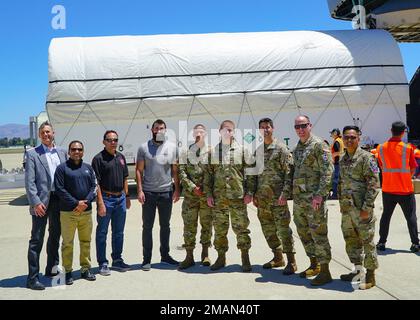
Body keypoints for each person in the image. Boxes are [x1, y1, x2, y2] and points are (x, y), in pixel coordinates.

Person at [249, 118, 297, 275]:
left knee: (284, 230)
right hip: (262, 200)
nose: (265, 130)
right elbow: (254, 175)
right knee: (268, 229)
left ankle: (291, 261)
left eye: (268, 127)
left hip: (278, 199)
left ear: (273, 128)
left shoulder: (281, 149)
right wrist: (254, 194)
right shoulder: (258, 151)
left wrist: (285, 194)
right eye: (262, 128)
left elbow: (289, 174)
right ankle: (277, 257)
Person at [204, 120, 253, 272]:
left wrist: (250, 192)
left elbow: (251, 174)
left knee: (241, 228)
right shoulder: (213, 152)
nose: (227, 132)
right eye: (225, 130)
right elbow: (208, 176)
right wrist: (209, 195)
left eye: (230, 130)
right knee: (219, 229)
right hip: (219, 198)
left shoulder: (243, 150)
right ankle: (221, 257)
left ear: (234, 132)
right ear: (220, 131)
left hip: (237, 197)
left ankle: (245, 257)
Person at [291, 115, 333, 286]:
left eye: (303, 126)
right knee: (303, 232)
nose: (300, 129)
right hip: (300, 199)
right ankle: (314, 264)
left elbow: (327, 172)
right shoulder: (297, 148)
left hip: (314, 199)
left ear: (310, 125)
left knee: (318, 233)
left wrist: (319, 195)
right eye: (297, 127)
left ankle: (325, 271)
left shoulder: (319, 145)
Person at [25, 121, 67, 290]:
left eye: (48, 132)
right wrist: (35, 202)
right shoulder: (33, 154)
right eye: (43, 133)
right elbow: (30, 182)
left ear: (53, 133)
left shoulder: (62, 152)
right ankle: (32, 278)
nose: (46, 135)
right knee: (37, 240)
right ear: (39, 135)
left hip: (58, 201)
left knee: (55, 236)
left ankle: (51, 268)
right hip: (41, 203)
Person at [338, 126, 380, 290]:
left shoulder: (366, 158)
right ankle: (357, 271)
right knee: (351, 241)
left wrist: (367, 207)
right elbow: (341, 183)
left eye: (352, 137)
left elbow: (374, 185)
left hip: (362, 209)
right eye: (346, 137)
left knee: (367, 241)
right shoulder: (343, 159)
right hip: (347, 209)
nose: (349, 140)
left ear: (358, 139)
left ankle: (370, 276)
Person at [136, 119, 180, 271]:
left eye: (162, 128)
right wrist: (140, 190)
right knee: (147, 227)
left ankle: (165, 256)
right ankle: (146, 259)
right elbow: (139, 170)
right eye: (156, 128)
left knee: (165, 226)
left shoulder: (172, 148)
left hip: (166, 193)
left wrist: (177, 189)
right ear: (152, 130)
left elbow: (175, 170)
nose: (159, 130)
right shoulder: (143, 148)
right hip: (148, 194)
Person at [54, 141, 97, 285]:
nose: (76, 152)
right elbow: (59, 189)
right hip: (68, 213)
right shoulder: (62, 169)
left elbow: (94, 187)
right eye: (73, 149)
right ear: (69, 151)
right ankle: (67, 272)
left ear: (83, 152)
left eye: (79, 149)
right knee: (67, 243)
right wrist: (76, 203)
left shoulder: (88, 168)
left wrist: (85, 202)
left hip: (86, 212)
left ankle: (85, 269)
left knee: (86, 242)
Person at [92, 130, 132, 276]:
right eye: (109, 140)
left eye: (115, 139)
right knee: (102, 232)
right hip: (106, 200)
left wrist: (127, 196)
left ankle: (117, 259)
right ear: (104, 142)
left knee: (118, 232)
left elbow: (125, 178)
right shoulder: (98, 159)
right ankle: (102, 263)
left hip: (120, 199)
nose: (113, 142)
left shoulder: (121, 157)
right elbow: (96, 184)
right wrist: (100, 203)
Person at [375, 121, 419, 253]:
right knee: (411, 216)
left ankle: (382, 242)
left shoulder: (381, 148)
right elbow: (412, 169)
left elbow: (382, 166)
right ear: (403, 132)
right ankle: (415, 244)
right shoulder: (408, 148)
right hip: (405, 189)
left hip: (388, 188)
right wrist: (405, 177)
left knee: (386, 216)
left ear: (391, 130)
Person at [178, 124, 213, 269]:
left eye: (201, 131)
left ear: (205, 133)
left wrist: (205, 189)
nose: (198, 134)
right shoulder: (186, 152)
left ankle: (205, 254)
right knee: (189, 226)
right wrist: (193, 188)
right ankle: (189, 256)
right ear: (193, 135)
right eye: (196, 132)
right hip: (190, 197)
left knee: (207, 225)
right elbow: (181, 172)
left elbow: (214, 172)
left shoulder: (212, 152)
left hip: (206, 196)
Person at [329, 128, 344, 200]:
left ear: (335, 133)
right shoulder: (341, 140)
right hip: (340, 162)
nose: (331, 135)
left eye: (332, 133)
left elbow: (337, 152)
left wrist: (332, 156)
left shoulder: (336, 142)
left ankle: (335, 194)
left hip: (337, 163)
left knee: (335, 179)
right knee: (339, 179)